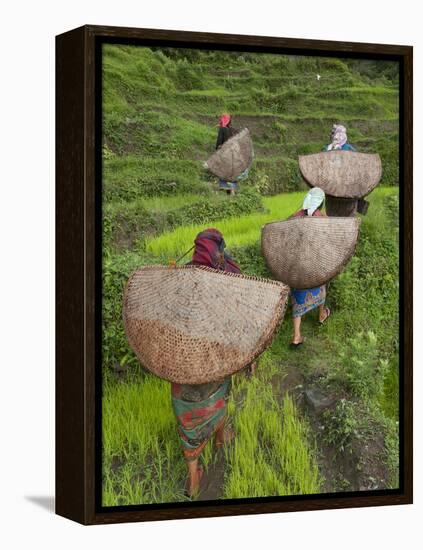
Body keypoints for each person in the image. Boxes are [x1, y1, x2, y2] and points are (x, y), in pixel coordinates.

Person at [170, 228, 239, 498]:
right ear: (219, 249)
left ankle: (193, 477)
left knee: (187, 415)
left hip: (182, 362)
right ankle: (220, 438)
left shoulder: (179, 280)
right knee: (219, 397)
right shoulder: (228, 276)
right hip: (215, 359)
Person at [289, 188, 331, 347]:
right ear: (321, 202)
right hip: (315, 263)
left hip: (296, 265)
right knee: (320, 287)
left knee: (298, 296)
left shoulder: (296, 216)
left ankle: (296, 336)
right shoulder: (322, 218)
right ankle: (321, 315)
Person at [216, 113, 238, 195]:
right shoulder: (232, 130)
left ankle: (224, 187)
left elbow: (219, 143)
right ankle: (232, 190)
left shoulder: (222, 129)